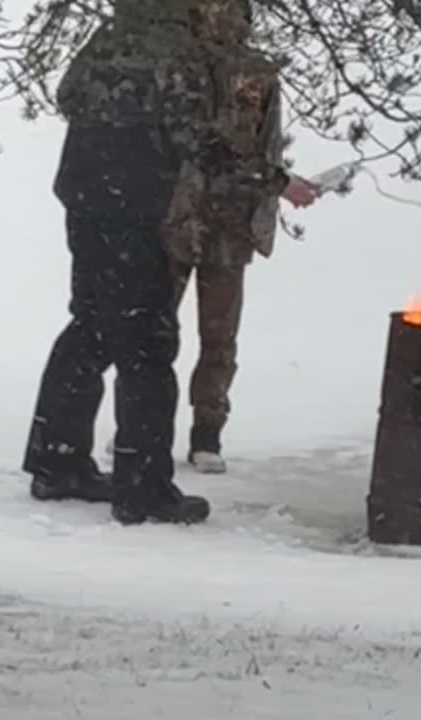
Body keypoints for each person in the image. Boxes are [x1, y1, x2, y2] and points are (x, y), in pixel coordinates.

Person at [21, 0, 318, 525]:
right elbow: (197, 139)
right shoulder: (178, 52)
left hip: (84, 197)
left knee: (90, 327)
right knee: (148, 345)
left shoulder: (111, 35)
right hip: (135, 209)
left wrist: (112, 131)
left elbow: (68, 95)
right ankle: (143, 487)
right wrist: (274, 180)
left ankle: (57, 460)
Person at [109, 0, 310, 475]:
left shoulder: (260, 72)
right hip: (176, 217)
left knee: (219, 339)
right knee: (154, 332)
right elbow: (180, 142)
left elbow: (267, 142)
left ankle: (207, 434)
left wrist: (275, 189)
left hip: (230, 224)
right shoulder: (178, 67)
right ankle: (136, 432)